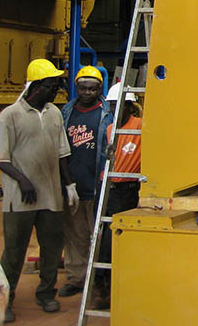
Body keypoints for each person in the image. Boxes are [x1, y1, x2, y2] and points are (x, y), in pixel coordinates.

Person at [0, 58, 79, 323]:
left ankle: (46, 293)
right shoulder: (10, 116)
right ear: (37, 86)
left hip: (51, 196)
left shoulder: (54, 114)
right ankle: (5, 301)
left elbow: (62, 153)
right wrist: (23, 180)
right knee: (14, 252)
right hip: (20, 199)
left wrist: (69, 185)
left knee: (52, 248)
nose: (56, 90)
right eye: (52, 85)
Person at [57, 66, 113, 298]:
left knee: (99, 236)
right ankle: (76, 278)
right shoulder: (66, 113)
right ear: (76, 88)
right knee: (75, 236)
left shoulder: (106, 114)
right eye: (83, 88)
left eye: (92, 88)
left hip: (96, 186)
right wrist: (66, 183)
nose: (87, 92)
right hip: (73, 186)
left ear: (100, 89)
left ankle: (99, 282)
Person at [92, 80, 143, 310]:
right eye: (112, 105)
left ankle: (117, 288)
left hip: (127, 191)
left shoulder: (141, 126)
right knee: (103, 240)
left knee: (120, 240)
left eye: (119, 104)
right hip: (108, 188)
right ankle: (102, 287)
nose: (115, 109)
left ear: (129, 106)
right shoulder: (110, 129)